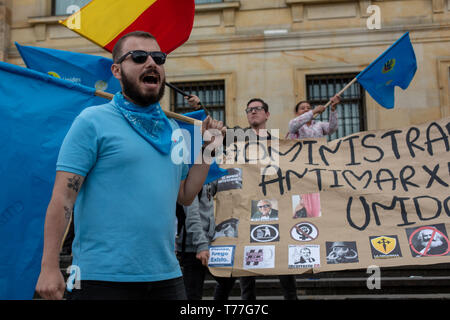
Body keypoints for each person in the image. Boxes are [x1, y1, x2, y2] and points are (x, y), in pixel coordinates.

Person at [35, 31, 224, 300]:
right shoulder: (92, 121)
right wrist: (49, 266)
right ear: (116, 70)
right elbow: (63, 197)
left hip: (167, 277)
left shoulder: (172, 129)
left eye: (158, 58)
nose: (151, 63)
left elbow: (185, 194)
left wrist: (208, 148)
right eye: (138, 57)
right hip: (99, 278)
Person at [213, 98, 298, 300]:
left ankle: (291, 298)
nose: (253, 112)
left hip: (273, 207)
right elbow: (215, 131)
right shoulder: (237, 137)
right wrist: (199, 107)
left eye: (257, 109)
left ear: (267, 114)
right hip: (244, 208)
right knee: (243, 262)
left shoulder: (279, 143)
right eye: (249, 109)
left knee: (282, 258)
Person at [176, 180, 218, 300]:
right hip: (194, 248)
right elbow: (192, 215)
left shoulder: (208, 179)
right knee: (192, 294)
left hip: (205, 243)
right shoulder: (191, 181)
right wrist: (201, 245)